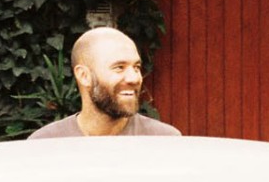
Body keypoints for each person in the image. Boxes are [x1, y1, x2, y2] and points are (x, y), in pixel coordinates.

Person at [28, 26, 180, 137]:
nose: (134, 78)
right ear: (84, 76)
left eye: (136, 67)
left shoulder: (163, 141)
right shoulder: (47, 144)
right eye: (119, 67)